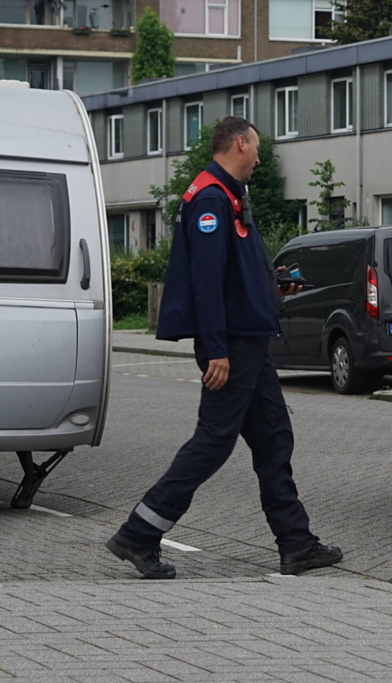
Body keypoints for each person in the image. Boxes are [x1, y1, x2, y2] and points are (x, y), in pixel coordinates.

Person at [106, 117, 342, 580]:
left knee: (274, 436)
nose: (259, 157)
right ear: (239, 143)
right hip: (233, 344)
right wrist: (215, 348)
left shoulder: (230, 195)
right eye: (256, 148)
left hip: (247, 339)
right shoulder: (212, 198)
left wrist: (273, 289)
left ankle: (297, 544)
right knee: (213, 442)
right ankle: (139, 533)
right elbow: (206, 282)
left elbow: (233, 274)